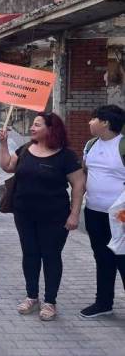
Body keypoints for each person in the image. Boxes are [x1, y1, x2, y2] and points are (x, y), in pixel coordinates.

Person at [0, 112, 85, 321]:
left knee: (51, 256)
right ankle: (31, 297)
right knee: (30, 254)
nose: (32, 128)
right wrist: (3, 143)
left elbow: (78, 185)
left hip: (55, 216)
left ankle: (50, 301)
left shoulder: (66, 156)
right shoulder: (26, 149)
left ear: (51, 128)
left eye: (37, 125)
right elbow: (8, 166)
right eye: (33, 124)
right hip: (24, 213)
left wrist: (74, 214)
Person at [80, 105, 125, 318]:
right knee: (102, 257)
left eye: (94, 118)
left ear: (105, 122)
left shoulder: (122, 145)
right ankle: (104, 302)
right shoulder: (90, 145)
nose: (90, 122)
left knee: (122, 258)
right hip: (94, 212)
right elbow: (85, 172)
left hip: (120, 216)